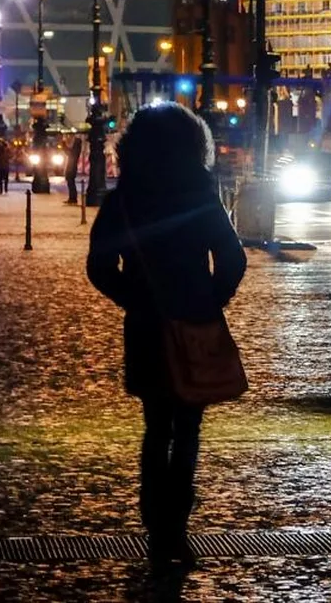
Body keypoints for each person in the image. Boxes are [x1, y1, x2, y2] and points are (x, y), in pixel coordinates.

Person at [85, 102, 247, 570]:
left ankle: (154, 517)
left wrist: (133, 298)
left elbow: (99, 267)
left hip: (146, 325)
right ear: (193, 145)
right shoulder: (200, 193)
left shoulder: (125, 198)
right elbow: (233, 259)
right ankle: (177, 520)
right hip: (193, 319)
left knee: (156, 425)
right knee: (189, 426)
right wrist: (208, 299)